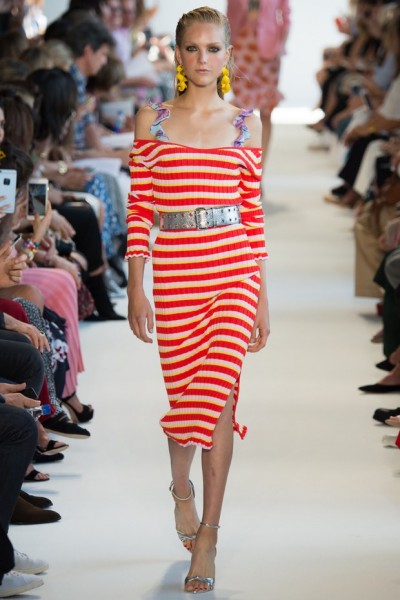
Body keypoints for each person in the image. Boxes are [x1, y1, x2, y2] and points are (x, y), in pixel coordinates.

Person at [126, 6, 269, 594]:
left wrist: (261, 300)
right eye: (193, 48)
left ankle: (208, 533)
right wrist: (136, 284)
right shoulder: (152, 120)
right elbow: (139, 208)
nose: (203, 58)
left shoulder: (246, 124)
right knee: (187, 398)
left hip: (233, 271)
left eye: (214, 49)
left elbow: (253, 215)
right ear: (178, 54)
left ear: (228, 56)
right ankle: (180, 487)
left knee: (219, 401)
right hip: (177, 274)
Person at [227, 0, 291, 171]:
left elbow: (286, 16)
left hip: (269, 50)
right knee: (242, 109)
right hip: (242, 45)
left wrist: (282, 45)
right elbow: (230, 14)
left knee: (266, 111)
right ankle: (241, 165)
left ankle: (259, 170)